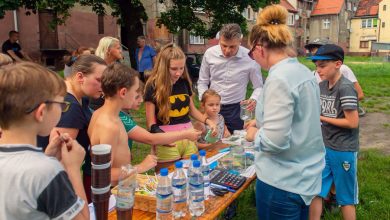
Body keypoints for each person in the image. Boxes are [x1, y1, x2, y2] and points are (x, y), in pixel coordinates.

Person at [244, 5, 325, 219]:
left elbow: (275, 141)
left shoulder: (279, 78)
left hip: (282, 182)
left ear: (259, 48)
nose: (254, 59)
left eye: (251, 53)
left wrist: (254, 134)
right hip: (305, 176)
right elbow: (299, 121)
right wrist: (260, 124)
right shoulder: (303, 72)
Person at [0, 62, 89, 219]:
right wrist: (73, 169)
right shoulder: (46, 172)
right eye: (61, 104)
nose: (62, 109)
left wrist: (48, 158)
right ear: (41, 112)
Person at [37, 55, 107, 203]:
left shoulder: (78, 97)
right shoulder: (70, 106)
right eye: (99, 80)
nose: (103, 86)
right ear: (80, 76)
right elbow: (59, 157)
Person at [144, 43, 216, 171]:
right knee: (168, 180)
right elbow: (151, 123)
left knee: (192, 177)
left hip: (189, 137)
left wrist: (208, 121)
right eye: (174, 69)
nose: (178, 73)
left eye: (182, 68)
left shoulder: (184, 82)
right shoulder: (152, 86)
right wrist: (162, 139)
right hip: (167, 140)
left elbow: (192, 110)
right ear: (163, 67)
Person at [308, 44, 359, 220]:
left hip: (343, 149)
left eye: (322, 66)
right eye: (316, 66)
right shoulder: (322, 86)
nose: (318, 70)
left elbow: (352, 122)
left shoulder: (345, 87)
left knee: (346, 198)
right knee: (316, 190)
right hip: (324, 148)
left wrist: (321, 118)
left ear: (338, 64)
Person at [88, 63, 157, 185]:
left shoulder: (101, 114)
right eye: (136, 91)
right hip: (113, 193)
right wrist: (140, 167)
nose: (138, 96)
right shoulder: (109, 126)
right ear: (123, 92)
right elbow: (103, 174)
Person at [198, 23, 263, 134]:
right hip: (212, 108)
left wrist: (254, 99)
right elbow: (202, 81)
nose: (227, 50)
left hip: (236, 110)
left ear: (240, 41)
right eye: (223, 45)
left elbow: (258, 86)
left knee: (235, 142)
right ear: (219, 39)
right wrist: (205, 101)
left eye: (232, 47)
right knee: (210, 143)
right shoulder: (209, 53)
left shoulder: (250, 57)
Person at [120, 81, 201, 152]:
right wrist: (185, 134)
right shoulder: (120, 118)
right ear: (123, 93)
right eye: (137, 96)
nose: (141, 100)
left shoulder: (123, 115)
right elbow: (150, 139)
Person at [90, 36, 123, 110]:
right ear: (108, 50)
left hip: (116, 106)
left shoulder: (118, 66)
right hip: (98, 106)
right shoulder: (96, 66)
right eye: (118, 48)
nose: (121, 51)